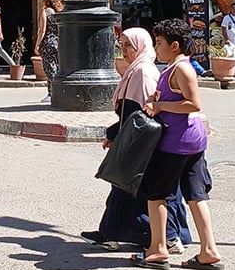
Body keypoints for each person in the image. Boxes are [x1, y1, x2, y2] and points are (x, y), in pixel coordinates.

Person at [81, 27, 191, 254]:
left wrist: (116, 135)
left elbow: (140, 112)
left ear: (141, 45)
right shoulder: (134, 71)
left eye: (129, 45)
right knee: (123, 187)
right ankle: (111, 232)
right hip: (133, 138)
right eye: (121, 45)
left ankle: (167, 237)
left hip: (142, 141)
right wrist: (116, 134)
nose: (124, 50)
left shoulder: (142, 72)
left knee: (138, 189)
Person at [132, 18, 223, 270]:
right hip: (191, 141)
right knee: (195, 195)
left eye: (159, 43)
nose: (156, 48)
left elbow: (193, 103)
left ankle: (158, 249)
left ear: (174, 45)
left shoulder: (180, 68)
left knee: (157, 194)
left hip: (175, 141)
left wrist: (159, 106)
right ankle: (208, 250)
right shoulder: (175, 67)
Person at [34, 0, 64, 79]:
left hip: (47, 43)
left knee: (49, 69)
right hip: (58, 42)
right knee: (57, 67)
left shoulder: (45, 11)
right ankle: (54, 91)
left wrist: (37, 44)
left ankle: (53, 90)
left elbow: (42, 30)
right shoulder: (59, 12)